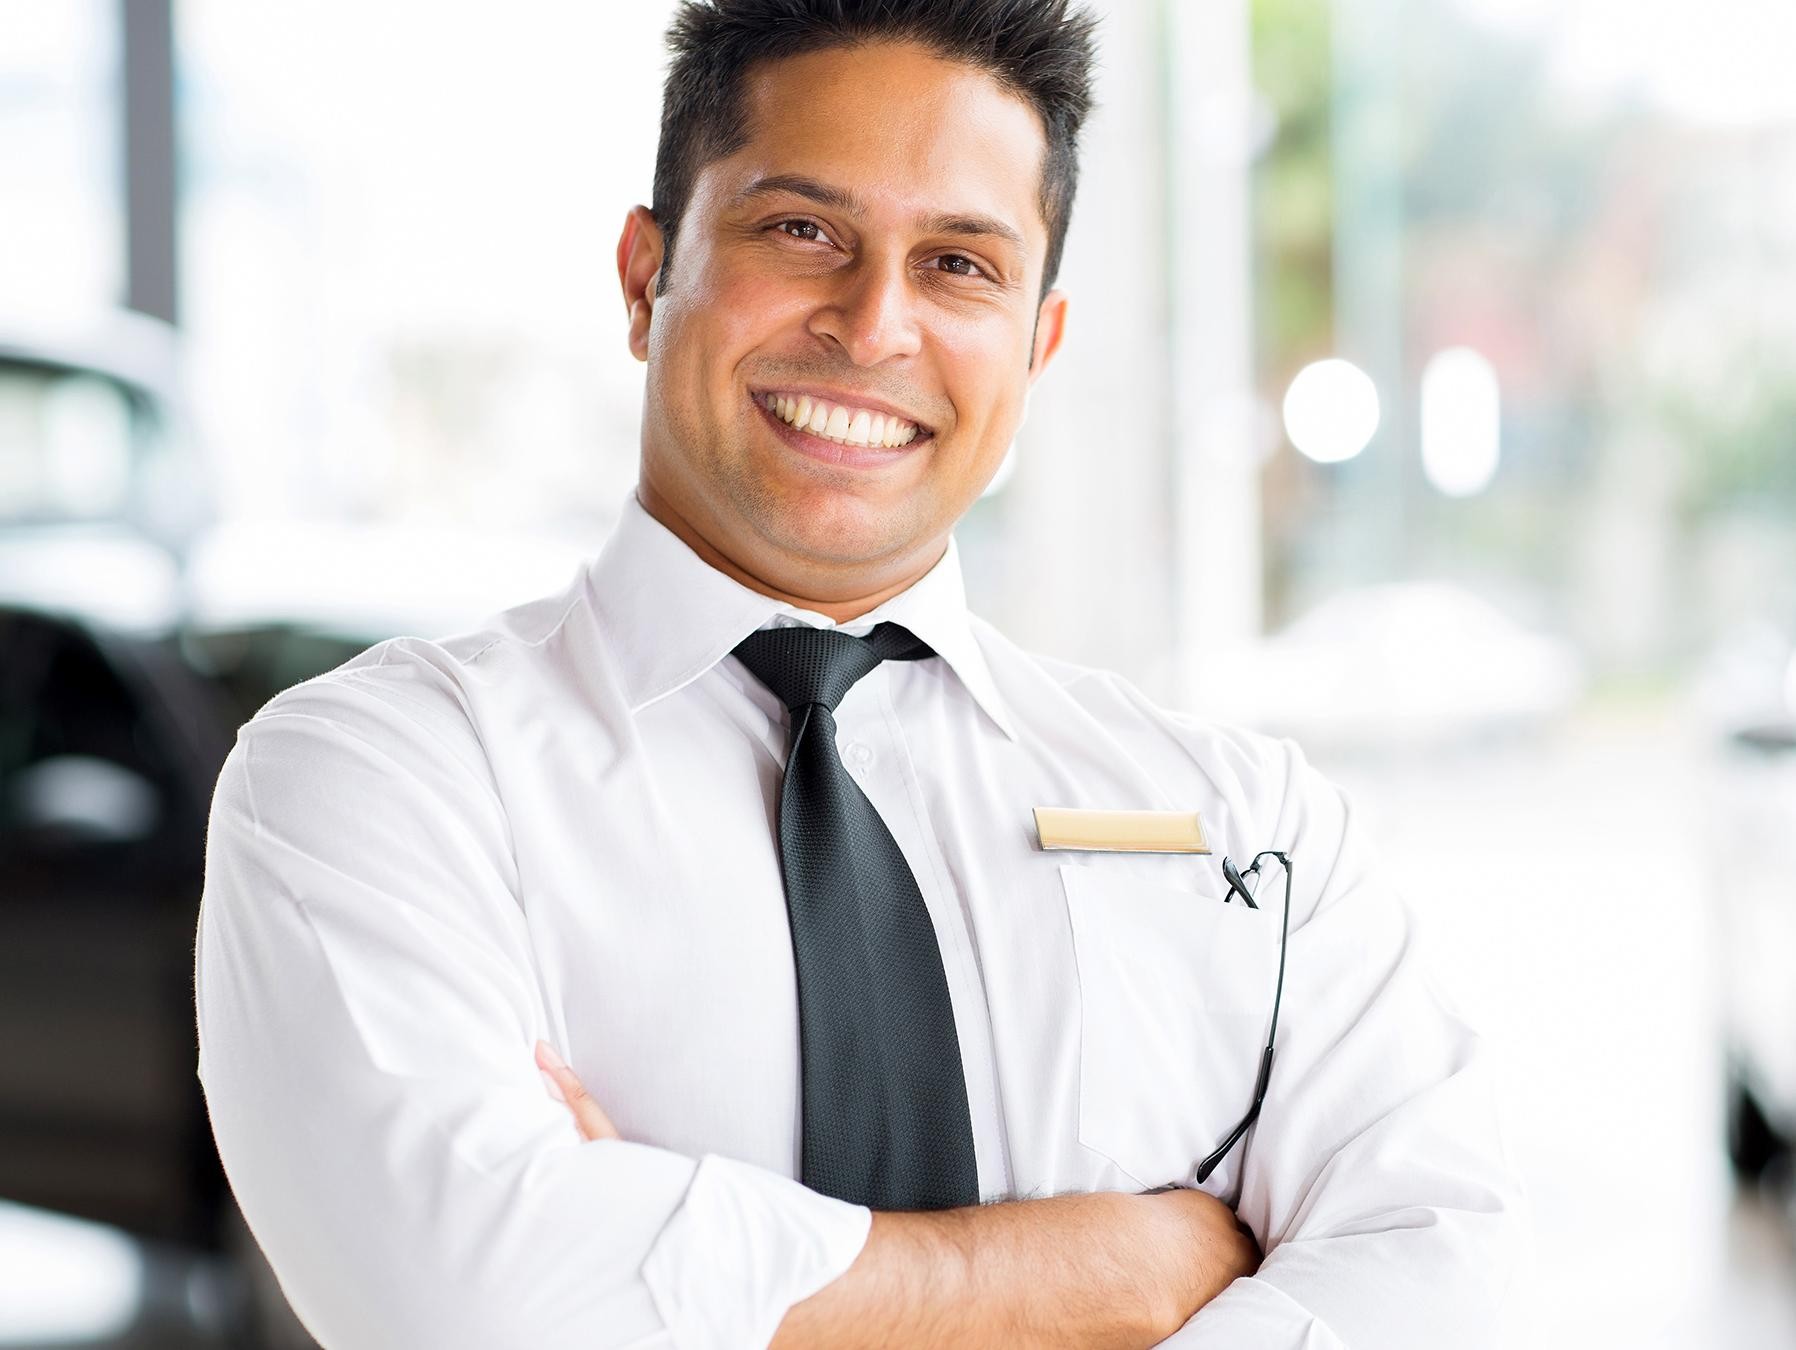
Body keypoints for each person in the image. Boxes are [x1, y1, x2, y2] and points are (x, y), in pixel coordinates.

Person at [193, 1, 1524, 1346]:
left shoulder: (1254, 824)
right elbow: (479, 1295)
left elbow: (1441, 1277)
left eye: (959, 264)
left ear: (1037, 344)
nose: (875, 321)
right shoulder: (379, 781)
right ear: (645, 275)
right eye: (802, 231)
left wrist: (692, 1267)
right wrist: (1122, 1272)